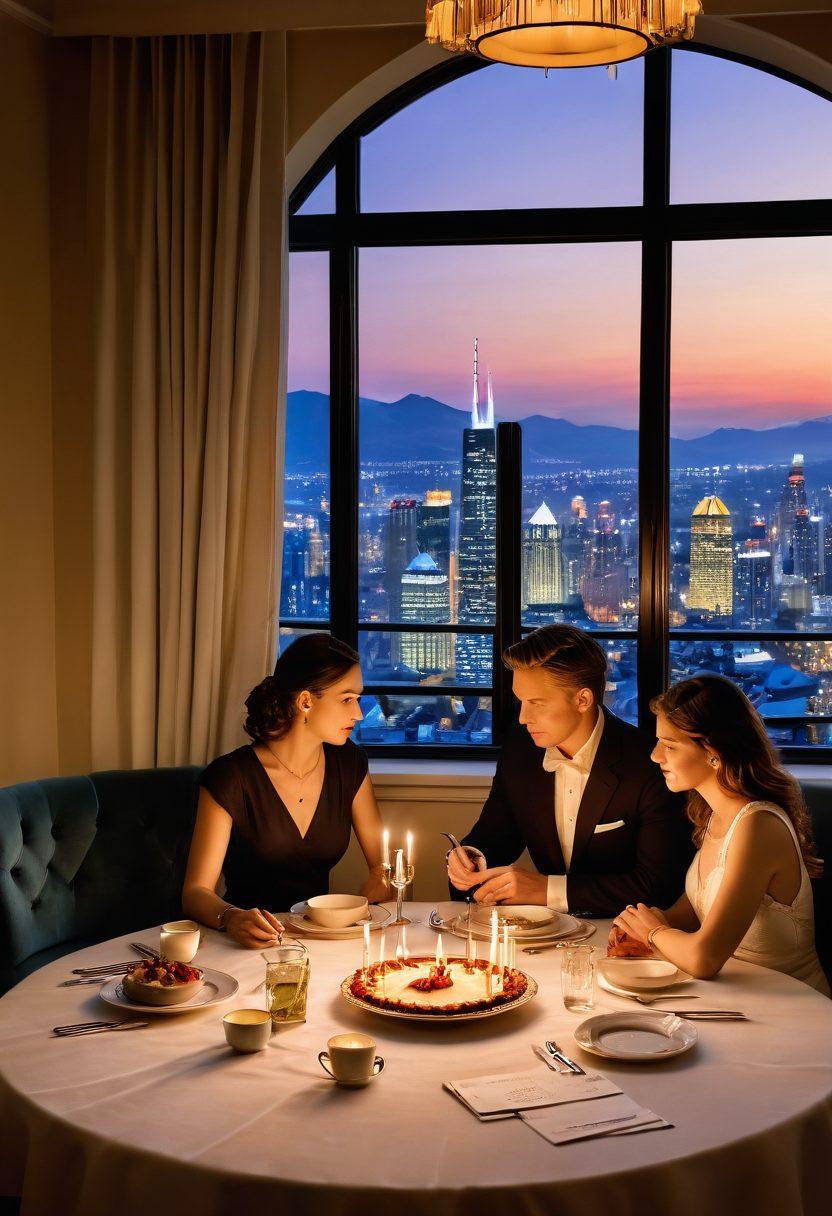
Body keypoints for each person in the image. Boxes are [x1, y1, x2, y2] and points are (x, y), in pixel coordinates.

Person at [448, 625, 691, 916]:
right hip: (547, 941)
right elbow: (493, 837)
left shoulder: (649, 763)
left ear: (583, 700)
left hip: (628, 937)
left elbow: (659, 886)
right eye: (520, 702)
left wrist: (545, 890)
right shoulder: (521, 751)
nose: (524, 718)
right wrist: (471, 860)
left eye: (536, 703)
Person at [612, 675, 829, 994]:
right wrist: (653, 922)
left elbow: (704, 959)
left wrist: (655, 932)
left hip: (792, 1007)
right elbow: (702, 903)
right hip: (737, 997)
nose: (655, 755)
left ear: (714, 753)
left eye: (669, 745)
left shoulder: (759, 826)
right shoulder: (715, 813)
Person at [183, 634, 388, 948]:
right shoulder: (231, 777)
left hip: (320, 941)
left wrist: (375, 889)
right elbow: (195, 894)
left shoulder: (350, 764)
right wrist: (232, 917)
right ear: (305, 701)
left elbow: (383, 869)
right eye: (347, 699)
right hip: (247, 946)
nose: (358, 713)